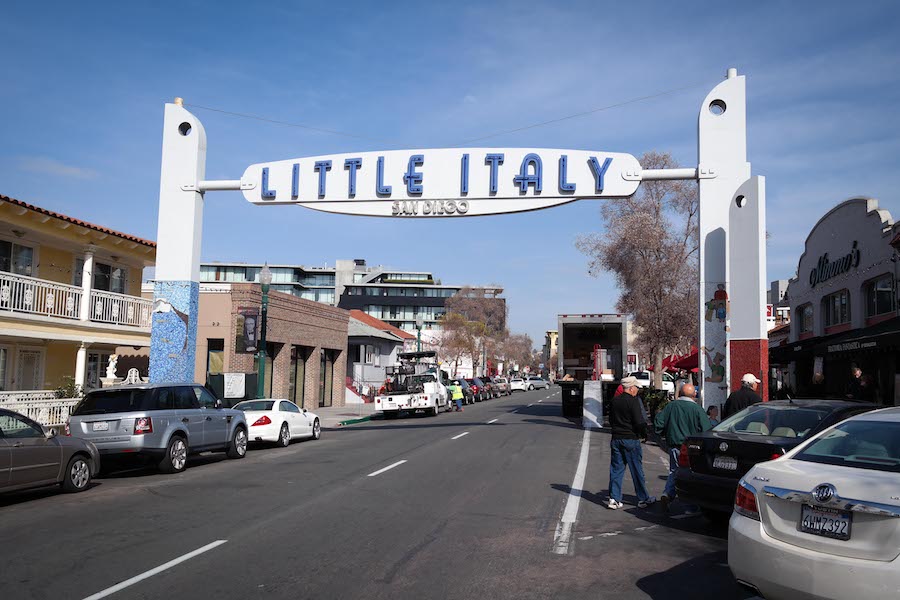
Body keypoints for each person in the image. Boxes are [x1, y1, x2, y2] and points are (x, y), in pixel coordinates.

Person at [654, 383, 711, 513]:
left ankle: (668, 493)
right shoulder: (697, 409)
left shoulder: (671, 406)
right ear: (694, 394)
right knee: (689, 475)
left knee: (674, 471)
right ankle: (689, 506)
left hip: (674, 445)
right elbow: (706, 429)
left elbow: (658, 423)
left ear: (680, 393)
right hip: (692, 447)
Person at [606, 376, 656, 510]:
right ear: (631, 388)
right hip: (631, 438)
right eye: (637, 388)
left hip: (616, 438)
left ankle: (614, 499)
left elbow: (610, 419)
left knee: (616, 469)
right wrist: (645, 434)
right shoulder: (633, 401)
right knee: (636, 470)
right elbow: (639, 422)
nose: (637, 390)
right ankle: (643, 498)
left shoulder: (615, 401)